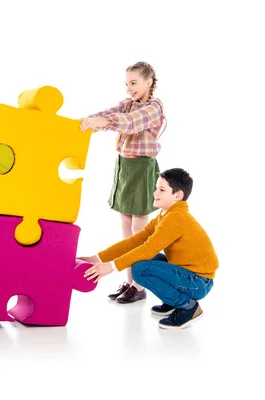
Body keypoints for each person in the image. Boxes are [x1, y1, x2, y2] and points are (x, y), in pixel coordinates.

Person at [78, 168, 218, 330]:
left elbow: (148, 248)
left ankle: (188, 306)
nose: (155, 193)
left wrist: (110, 267)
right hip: (189, 276)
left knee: (140, 269)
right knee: (146, 261)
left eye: (162, 190)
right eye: (156, 188)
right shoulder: (164, 215)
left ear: (177, 195)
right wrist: (97, 259)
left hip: (199, 282)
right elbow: (135, 241)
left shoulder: (176, 218)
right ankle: (174, 302)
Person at [78, 61, 167, 303]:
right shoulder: (128, 104)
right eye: (127, 83)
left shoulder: (153, 107)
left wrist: (105, 123)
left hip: (141, 168)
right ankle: (130, 283)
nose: (129, 88)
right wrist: (87, 121)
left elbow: (130, 122)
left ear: (148, 82)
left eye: (134, 83)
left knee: (139, 234)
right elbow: (109, 114)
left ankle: (139, 285)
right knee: (126, 233)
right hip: (124, 167)